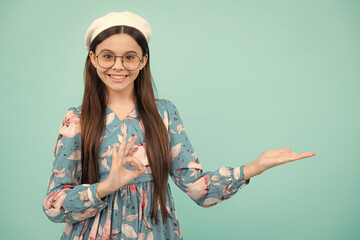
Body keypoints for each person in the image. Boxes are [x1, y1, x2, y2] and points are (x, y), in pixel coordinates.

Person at [42, 11, 316, 240]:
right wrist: (105, 186)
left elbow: (198, 189)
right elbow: (53, 206)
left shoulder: (164, 113)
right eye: (107, 56)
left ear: (143, 61)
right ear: (93, 58)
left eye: (129, 57)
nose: (118, 66)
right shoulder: (76, 120)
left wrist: (254, 167)